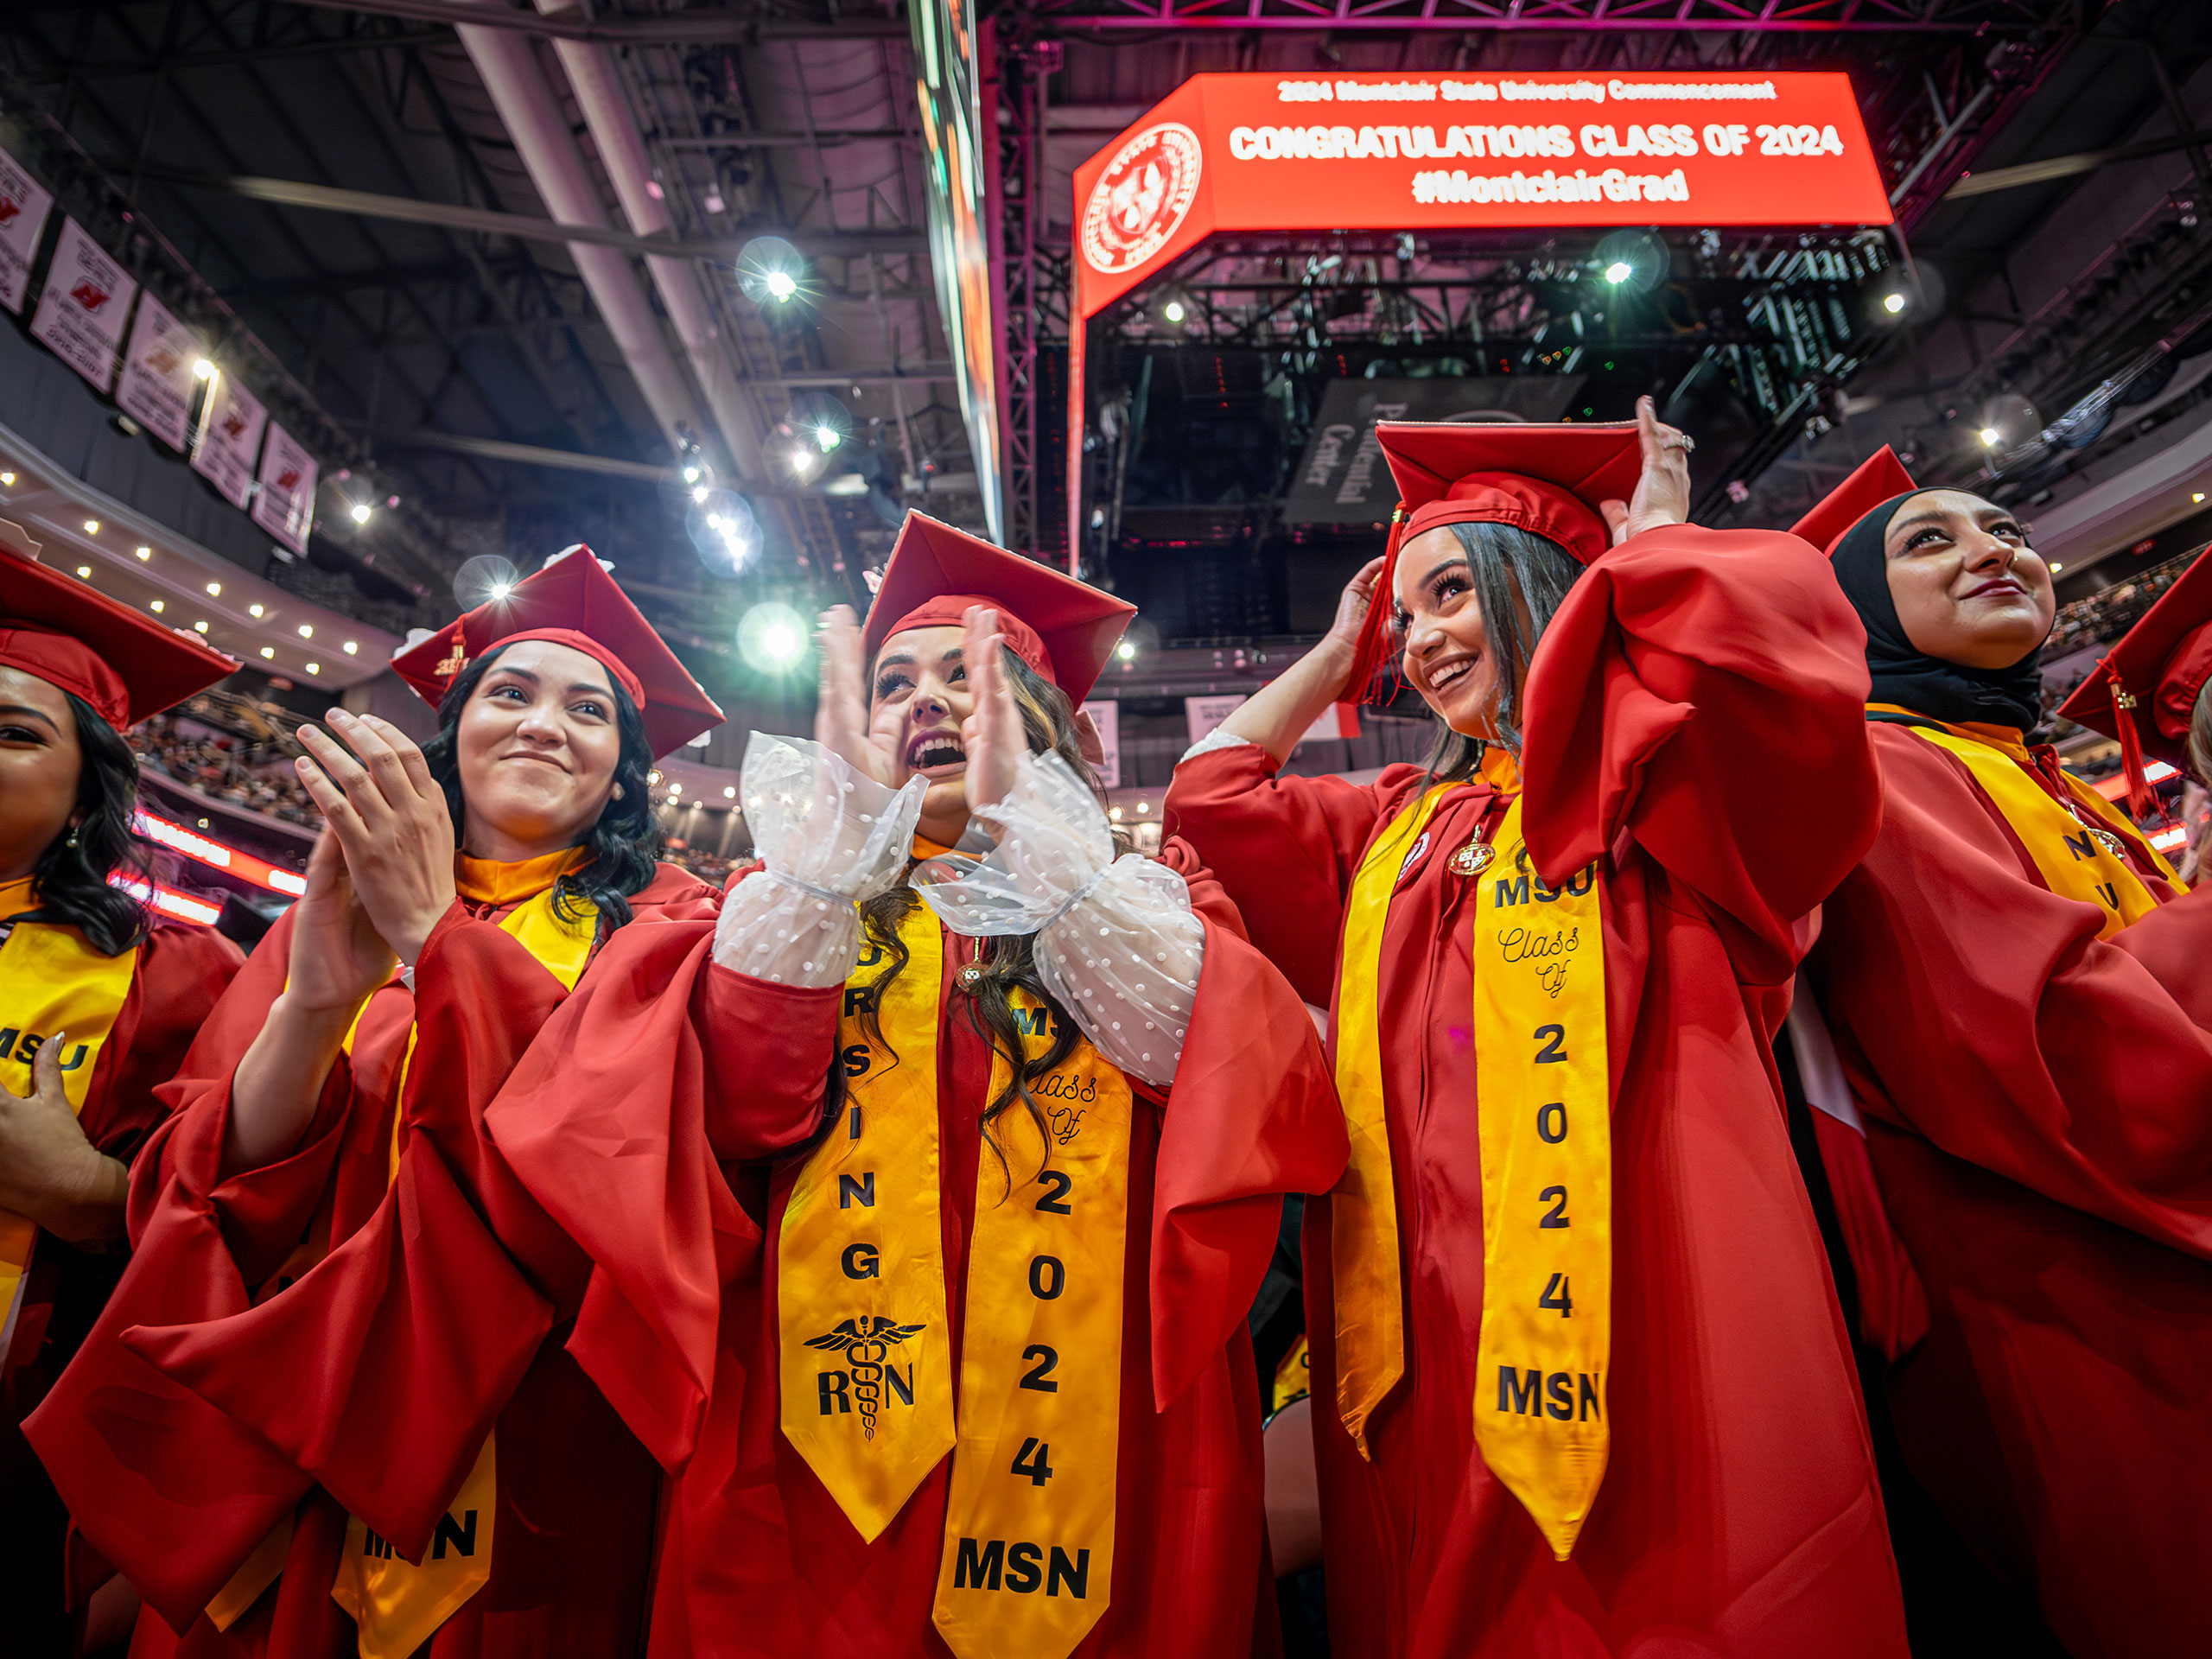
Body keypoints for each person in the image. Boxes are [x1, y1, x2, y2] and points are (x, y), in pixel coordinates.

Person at [485, 512, 1347, 1659]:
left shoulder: (1142, 903)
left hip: (1086, 1458)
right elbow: (744, 1104)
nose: (927, 701)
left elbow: (1226, 1076)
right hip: (815, 1467)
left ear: (1042, 725)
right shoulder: (778, 910)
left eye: (969, 676)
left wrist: (1040, 843)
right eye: (895, 684)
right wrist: (824, 862)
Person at [1162, 400, 1909, 1657]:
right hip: (1429, 1316)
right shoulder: (1399, 823)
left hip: (1646, 1292)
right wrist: (1339, 652)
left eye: (1453, 594)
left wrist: (1649, 556)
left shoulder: (1656, 783)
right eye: (1408, 616)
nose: (1421, 640)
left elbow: (1770, 670)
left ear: (1549, 587)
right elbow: (1213, 796)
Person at [23, 546, 786, 1658]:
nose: (541, 724)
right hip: (300, 1407)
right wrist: (319, 998)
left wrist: (439, 937)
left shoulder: (673, 932)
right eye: (509, 694)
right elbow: (221, 1184)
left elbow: (615, 1181)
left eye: (588, 711)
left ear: (625, 771)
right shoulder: (325, 912)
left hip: (533, 1435)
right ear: (454, 728)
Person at [1781, 450, 2212, 1657]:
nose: (1989, 549)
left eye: (2004, 526)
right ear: (1859, 614)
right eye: (1928, 544)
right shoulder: (1882, 771)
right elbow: (2038, 1045)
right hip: (2085, 1288)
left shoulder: (2042, 777)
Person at [0, 521, 245, 1655]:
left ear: (88, 786)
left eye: (11, 731)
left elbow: (230, 1224)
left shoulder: (167, 978)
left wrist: (87, 1193)